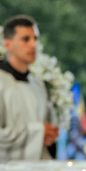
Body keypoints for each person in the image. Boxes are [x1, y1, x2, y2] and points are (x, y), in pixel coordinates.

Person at [0, 15, 58, 161]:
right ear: (7, 43)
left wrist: (49, 134)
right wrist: (39, 133)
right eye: (26, 39)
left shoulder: (38, 84)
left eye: (36, 38)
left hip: (38, 170)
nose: (33, 45)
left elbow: (48, 125)